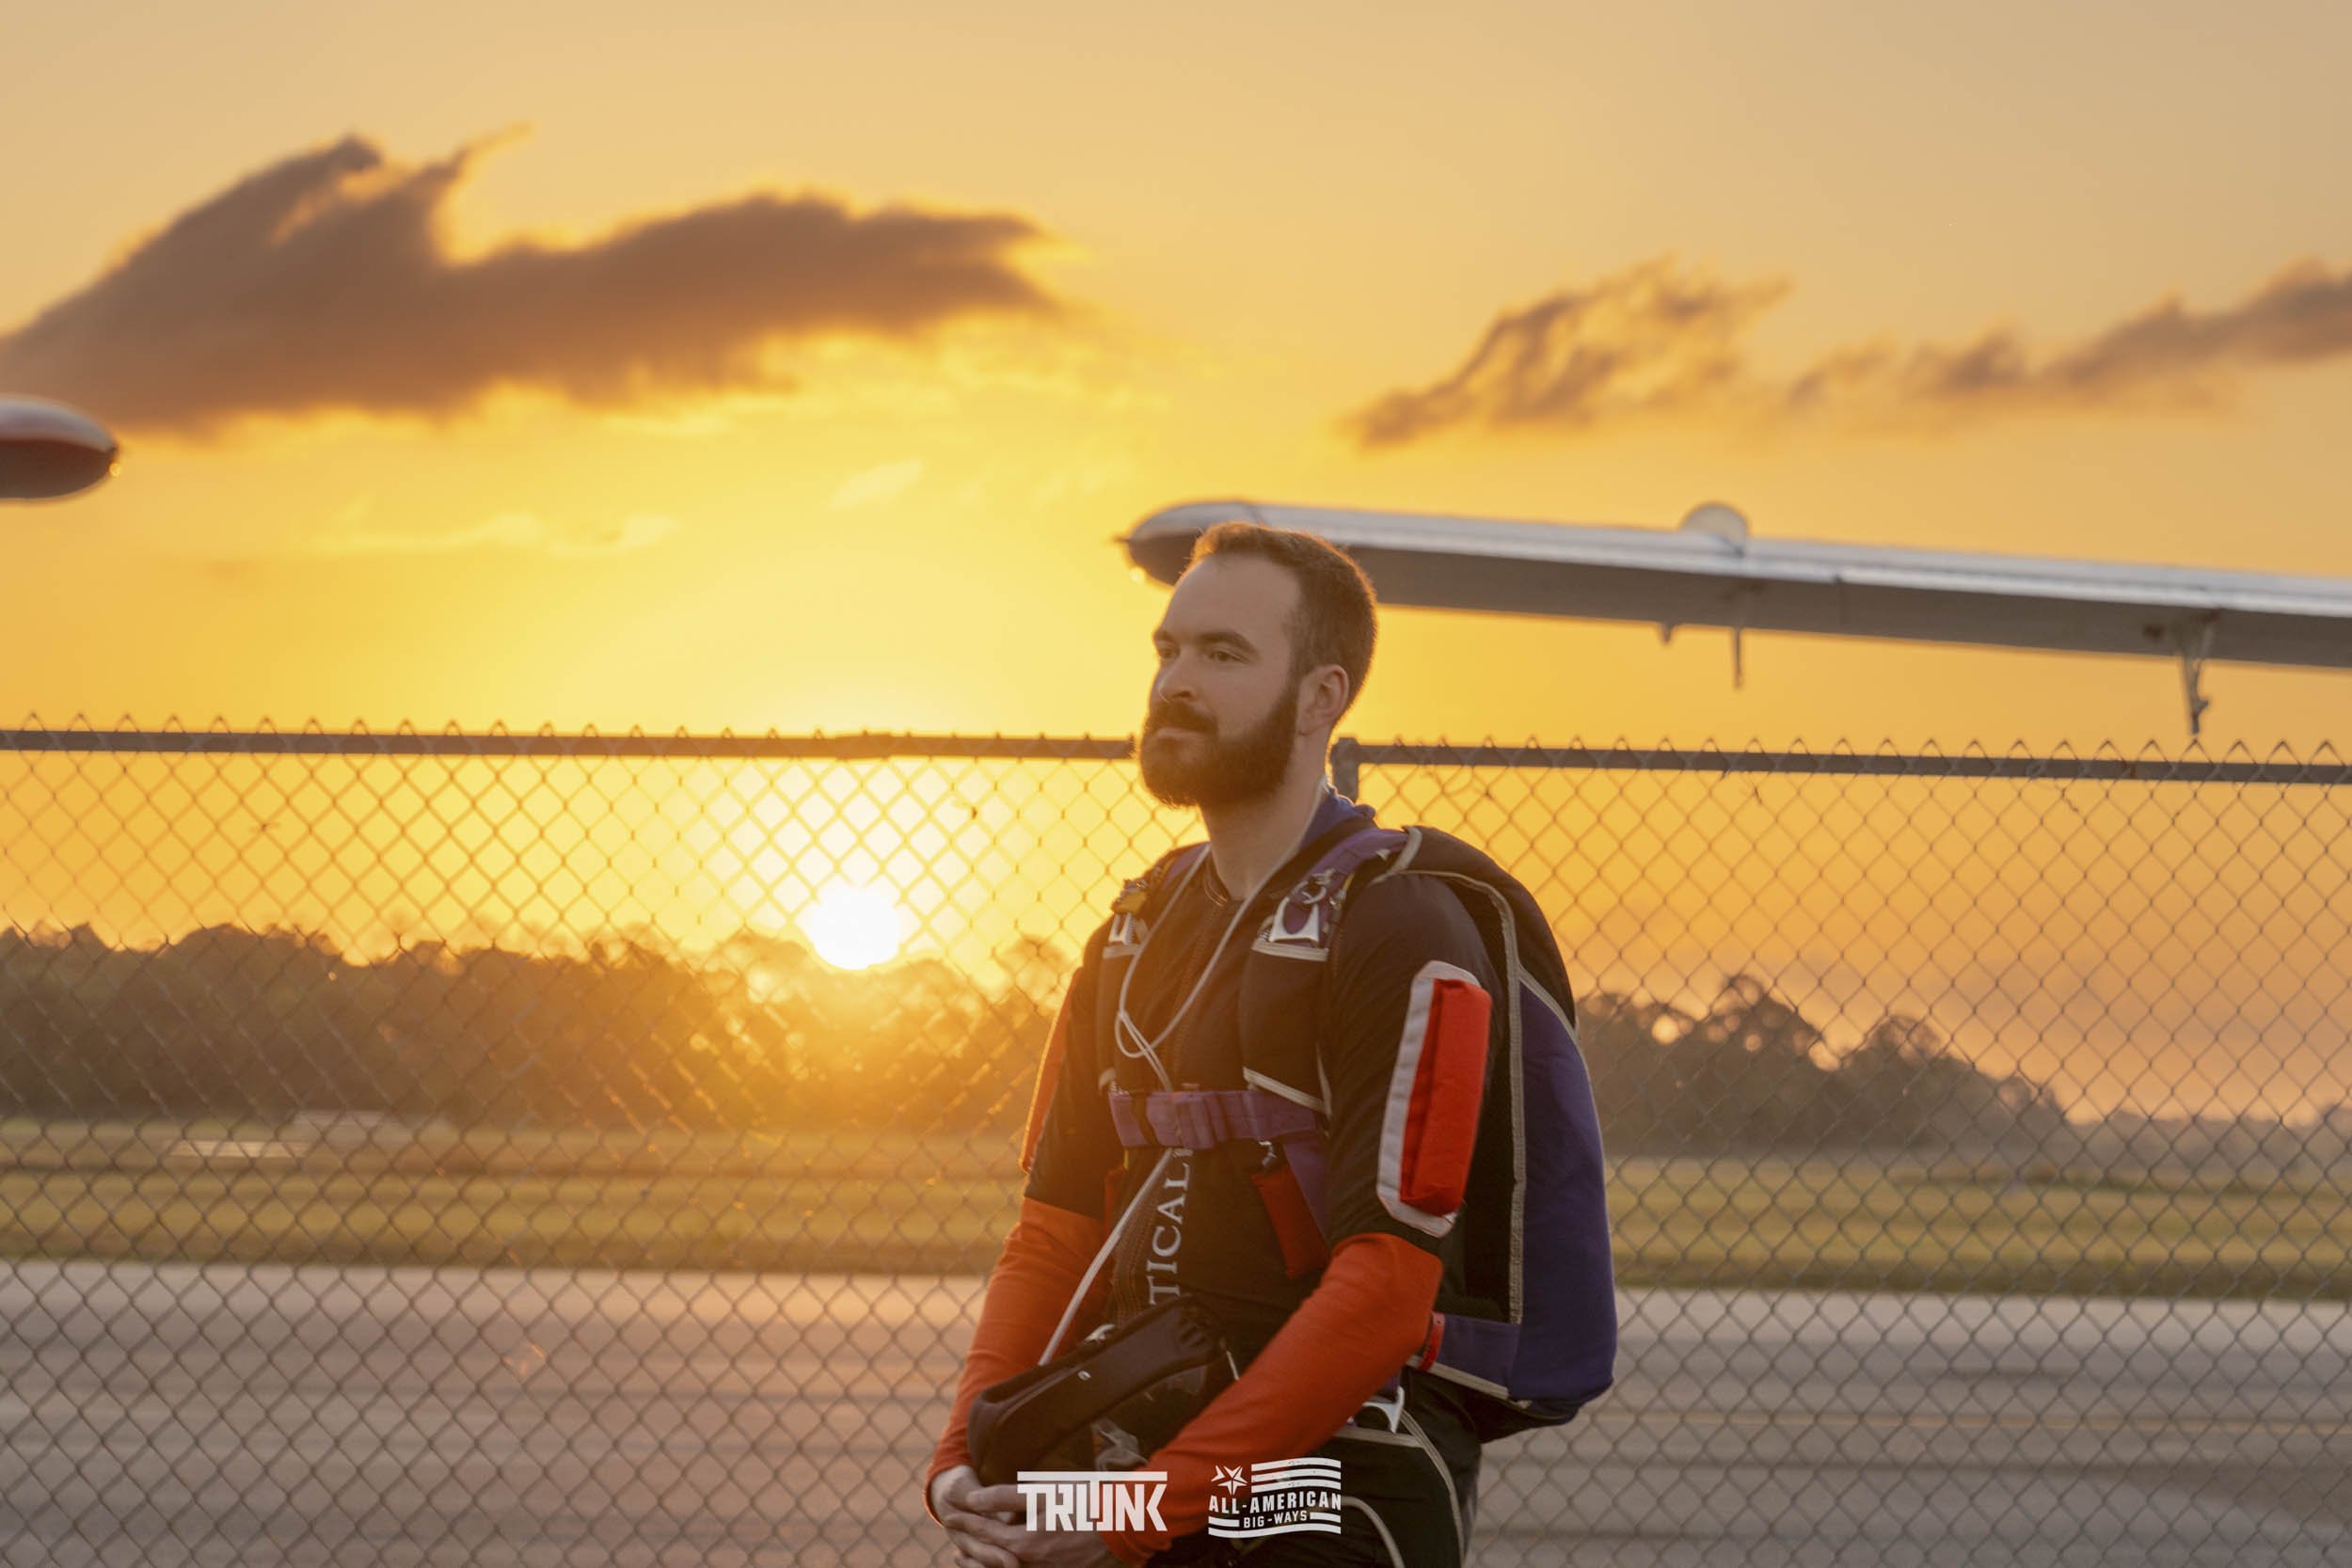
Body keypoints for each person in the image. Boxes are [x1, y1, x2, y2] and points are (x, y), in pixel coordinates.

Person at [926, 521, 1498, 1567]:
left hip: (1331, 1478)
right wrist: (963, 1456)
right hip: (1142, 1463)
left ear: (1323, 696)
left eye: (1223, 655)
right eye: (1167, 650)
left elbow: (1382, 1294)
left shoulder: (1404, 929)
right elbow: (1054, 1229)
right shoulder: (1134, 932)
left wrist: (1129, 1513)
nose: (1177, 680)